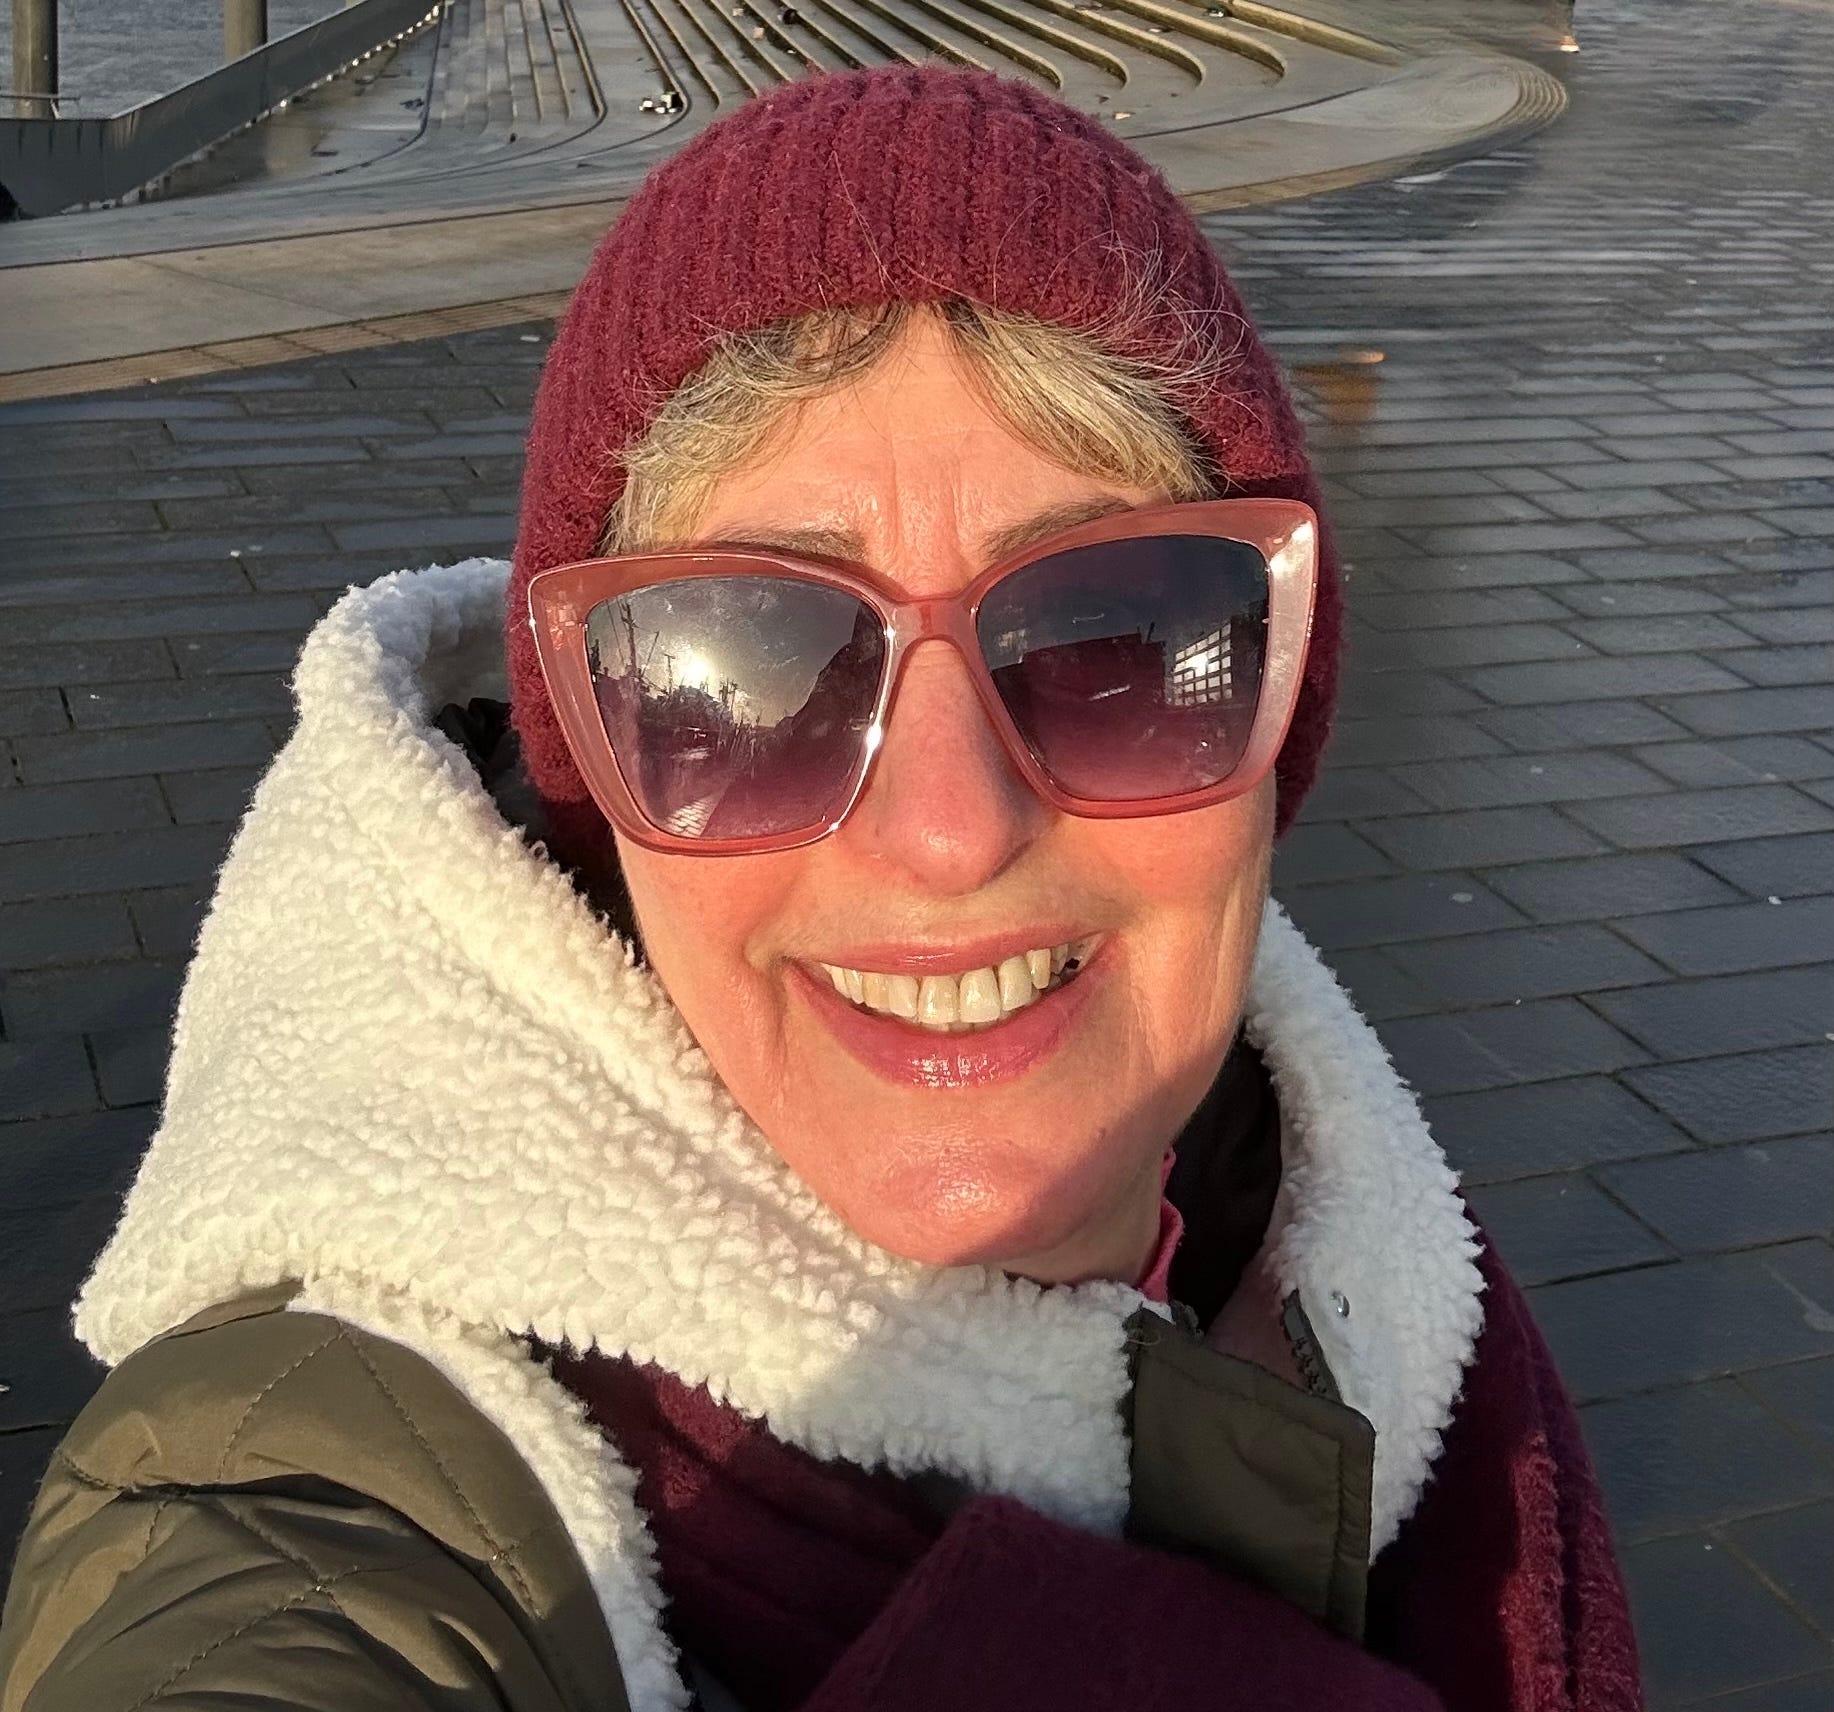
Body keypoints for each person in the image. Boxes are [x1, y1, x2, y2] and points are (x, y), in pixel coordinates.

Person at [0, 66, 1641, 1712]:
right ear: (599, 782)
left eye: (1110, 637)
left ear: (1272, 717)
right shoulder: (352, 1500)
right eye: (742, 667)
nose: (948, 832)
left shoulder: (1381, 1306)